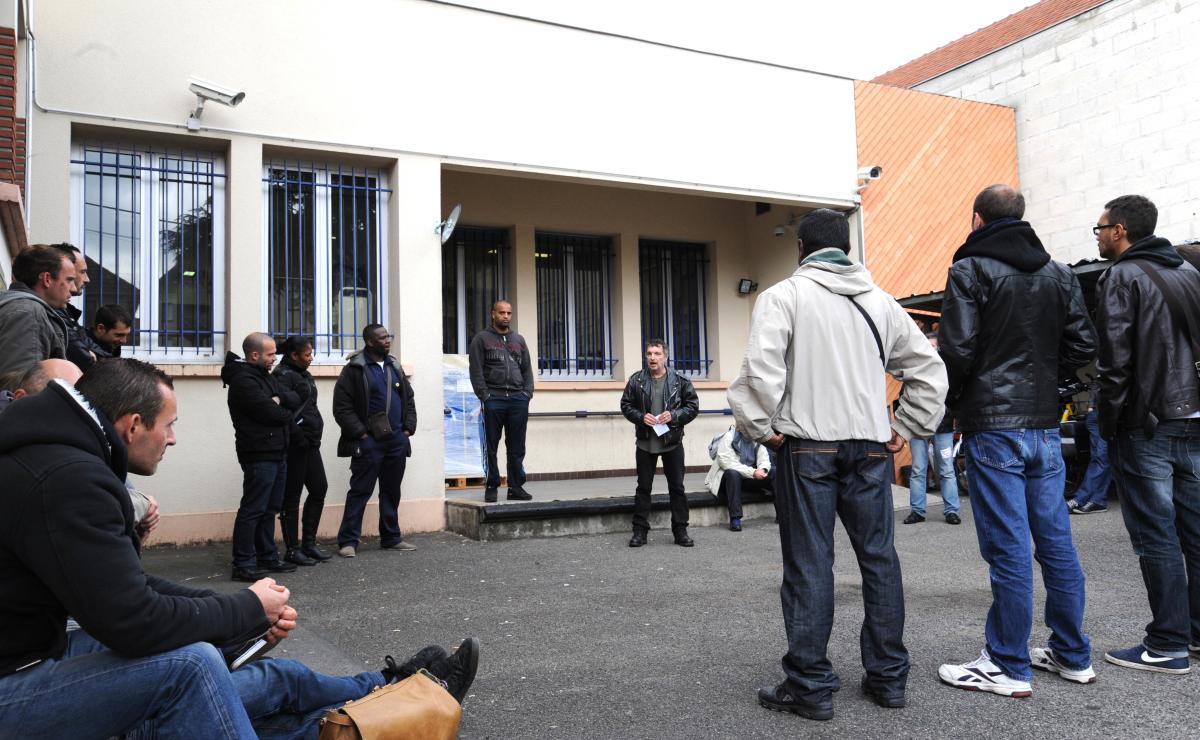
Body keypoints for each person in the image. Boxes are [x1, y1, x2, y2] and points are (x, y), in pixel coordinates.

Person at [0, 358, 480, 738]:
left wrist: (239, 615)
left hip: (39, 657)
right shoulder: (68, 477)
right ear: (131, 426)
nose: (172, 438)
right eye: (168, 425)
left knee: (271, 675)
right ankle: (391, 709)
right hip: (15, 687)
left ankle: (387, 695)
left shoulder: (55, 458)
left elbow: (123, 591)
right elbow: (133, 620)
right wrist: (243, 610)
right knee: (192, 667)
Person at [729, 208, 947, 721]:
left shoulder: (784, 297)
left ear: (801, 248)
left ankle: (810, 686)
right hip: (871, 447)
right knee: (879, 559)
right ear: (844, 248)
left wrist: (765, 431)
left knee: (810, 563)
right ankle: (889, 678)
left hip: (807, 446)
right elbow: (929, 371)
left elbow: (759, 374)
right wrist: (907, 427)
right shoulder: (884, 304)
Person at [936, 185, 1097, 697]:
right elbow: (1083, 344)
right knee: (1056, 543)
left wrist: (957, 400)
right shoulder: (1058, 272)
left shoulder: (970, 269)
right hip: (1043, 423)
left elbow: (957, 349)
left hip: (992, 423)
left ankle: (1007, 664)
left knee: (1007, 547)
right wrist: (1054, 386)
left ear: (978, 218)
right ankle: (1073, 655)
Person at [1092, 194, 1200, 674]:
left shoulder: (1121, 276)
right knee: (1195, 534)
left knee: (1156, 535)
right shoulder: (1191, 274)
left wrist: (1109, 424)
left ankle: (1167, 644)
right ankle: (1194, 635)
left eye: (1099, 228)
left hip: (1147, 422)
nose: (1096, 236)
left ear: (1119, 230)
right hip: (1193, 419)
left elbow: (1115, 362)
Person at [332, 324, 418, 558]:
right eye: (382, 338)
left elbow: (408, 399)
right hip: (369, 443)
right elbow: (342, 408)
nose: (387, 340)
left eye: (388, 336)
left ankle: (391, 537)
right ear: (370, 342)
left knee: (391, 491)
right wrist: (362, 434)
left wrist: (408, 430)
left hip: (396, 442)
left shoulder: (394, 366)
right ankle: (348, 541)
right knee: (360, 491)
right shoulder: (355, 369)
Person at [223, 332, 301, 581]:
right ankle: (244, 563)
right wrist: (277, 404)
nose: (275, 358)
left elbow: (295, 397)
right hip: (258, 453)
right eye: (270, 354)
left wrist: (279, 400)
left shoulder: (264, 377)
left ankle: (267, 556)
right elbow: (273, 414)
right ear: (254, 355)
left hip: (278, 451)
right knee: (254, 509)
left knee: (270, 508)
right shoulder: (244, 381)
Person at [620, 340, 700, 547]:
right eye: (649, 353)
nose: (652, 357)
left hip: (672, 442)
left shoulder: (680, 381)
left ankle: (680, 531)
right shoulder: (636, 380)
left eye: (657, 353)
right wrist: (640, 417)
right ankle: (639, 532)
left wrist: (674, 415)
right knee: (643, 488)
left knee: (677, 488)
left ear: (665, 356)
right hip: (646, 442)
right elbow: (626, 405)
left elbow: (692, 407)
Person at [273, 335, 331, 566]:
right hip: (296, 445)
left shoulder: (303, 374)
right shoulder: (282, 376)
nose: (311, 357)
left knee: (319, 488)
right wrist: (298, 435)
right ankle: (292, 549)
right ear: (293, 355)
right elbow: (283, 412)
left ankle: (309, 544)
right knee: (292, 496)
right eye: (307, 354)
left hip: (310, 444)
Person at [468, 300, 535, 503]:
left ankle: (515, 487)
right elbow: (476, 371)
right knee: (491, 445)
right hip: (493, 399)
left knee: (517, 446)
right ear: (493, 314)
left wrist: (527, 393)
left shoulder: (519, 340)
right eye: (501, 313)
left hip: (517, 399)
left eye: (509, 313)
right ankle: (491, 485)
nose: (505, 316)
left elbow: (527, 370)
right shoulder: (481, 339)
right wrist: (485, 396)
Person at [905, 334, 961, 525]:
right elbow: (905, 393)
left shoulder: (946, 369)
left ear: (939, 348)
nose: (930, 348)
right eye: (927, 345)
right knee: (918, 469)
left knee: (946, 469)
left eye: (934, 345)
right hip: (917, 424)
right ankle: (917, 511)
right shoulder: (915, 367)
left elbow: (954, 394)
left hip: (942, 425)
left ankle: (952, 511)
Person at [0, 244, 74, 375]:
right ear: (47, 279)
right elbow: (19, 386)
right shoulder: (28, 313)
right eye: (69, 280)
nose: (73, 288)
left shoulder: (18, 307)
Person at [50, 243, 106, 371]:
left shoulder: (65, 310)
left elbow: (88, 347)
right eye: (83, 272)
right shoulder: (52, 311)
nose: (87, 280)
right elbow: (86, 359)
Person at [704, 426, 772, 531]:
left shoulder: (757, 438)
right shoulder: (729, 436)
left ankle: (783, 514)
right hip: (727, 478)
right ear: (740, 427)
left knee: (775, 472)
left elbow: (764, 459)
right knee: (733, 474)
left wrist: (763, 469)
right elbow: (727, 463)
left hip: (747, 478)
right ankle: (735, 518)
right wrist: (753, 472)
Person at [1066, 383, 1112, 515]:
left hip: (1107, 413)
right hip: (1095, 414)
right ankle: (1098, 501)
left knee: (1102, 458)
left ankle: (1080, 498)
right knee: (1098, 458)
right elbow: (1099, 381)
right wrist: (1091, 405)